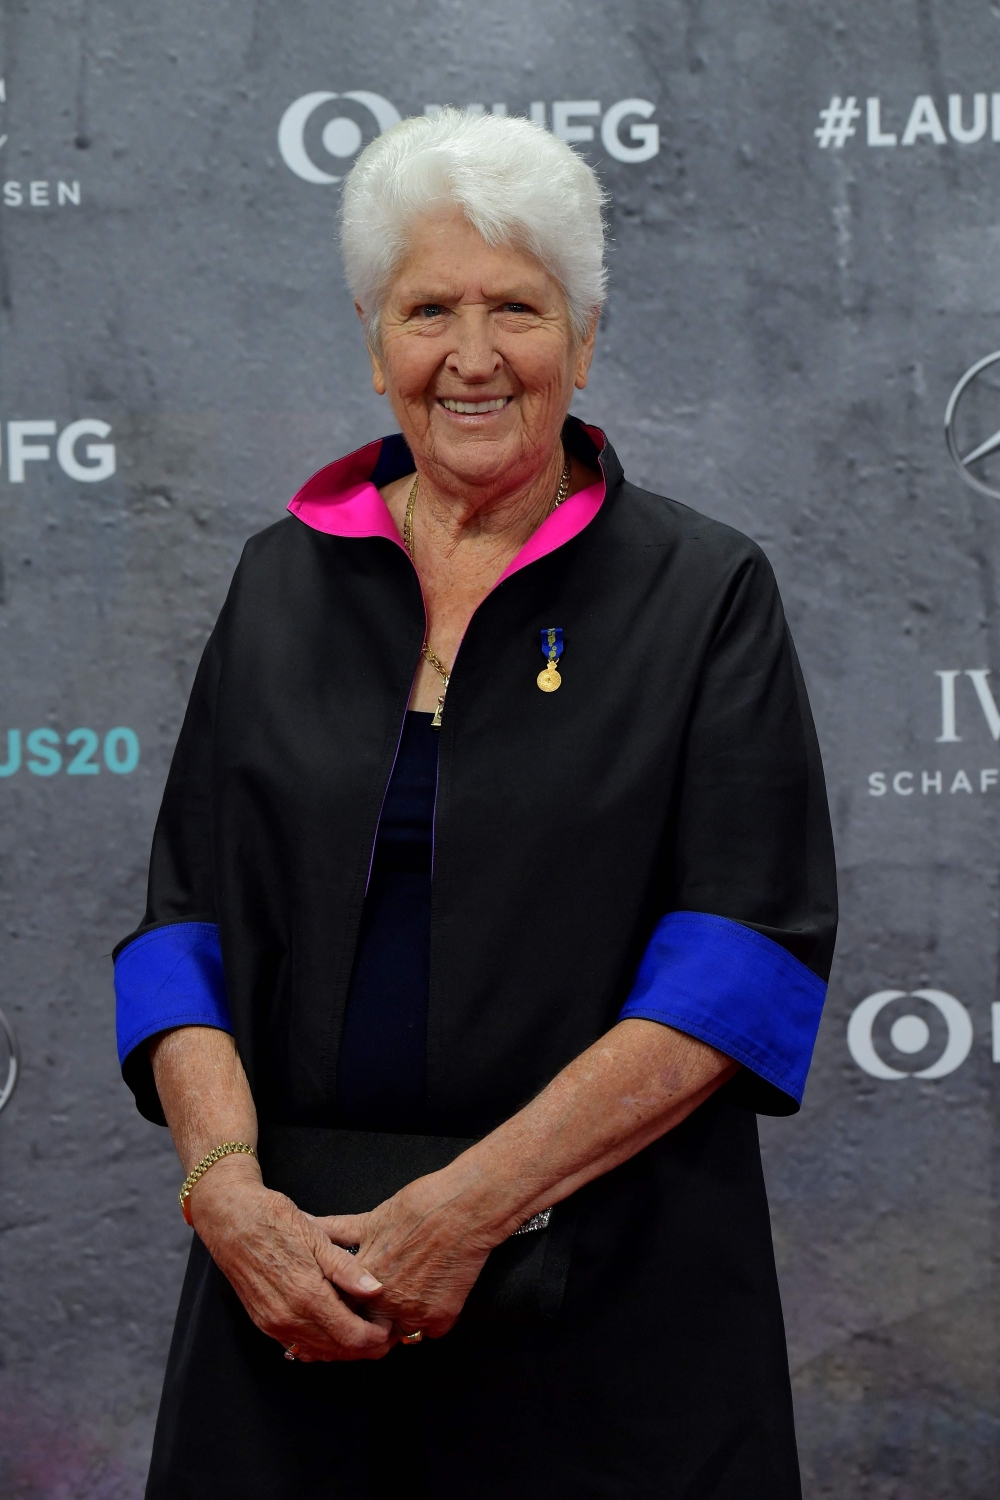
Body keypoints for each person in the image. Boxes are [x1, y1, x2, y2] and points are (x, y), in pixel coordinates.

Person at [113, 108, 837, 1499]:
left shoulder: (705, 593)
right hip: (296, 1294)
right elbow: (180, 931)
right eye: (426, 307)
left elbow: (740, 959)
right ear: (374, 340)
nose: (472, 355)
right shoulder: (277, 580)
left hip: (617, 1311)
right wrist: (226, 1195)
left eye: (518, 306)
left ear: (587, 332)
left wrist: (473, 1209)